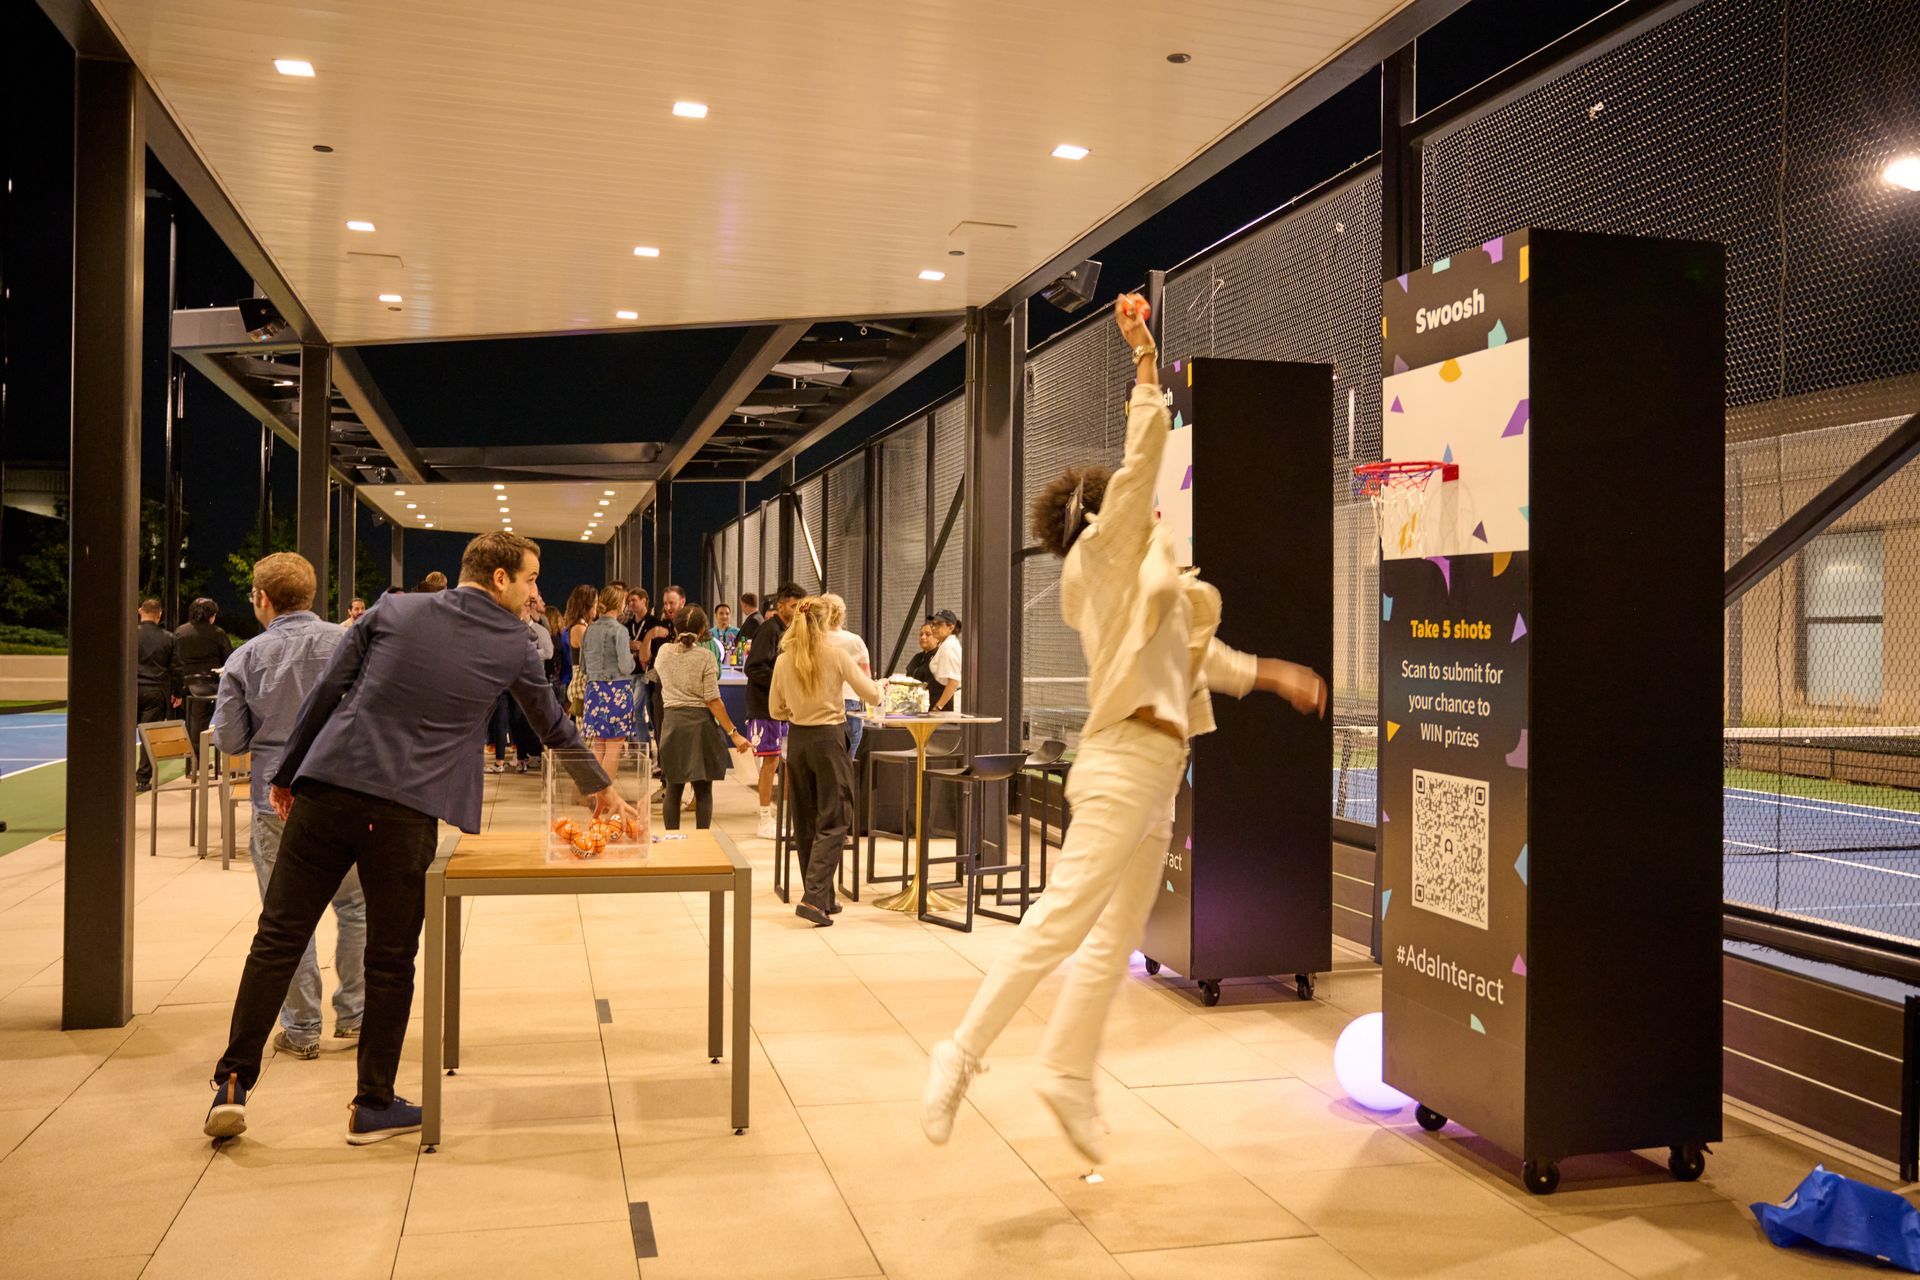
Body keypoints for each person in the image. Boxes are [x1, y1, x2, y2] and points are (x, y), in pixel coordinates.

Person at [919, 295, 1329, 1164]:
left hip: (1154, 771)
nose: (1152, 511)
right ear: (1105, 516)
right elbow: (1143, 462)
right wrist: (1144, 358)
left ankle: (1067, 1073)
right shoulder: (1105, 558)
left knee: (1113, 934)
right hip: (1122, 764)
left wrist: (1275, 677)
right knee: (1062, 924)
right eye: (1134, 504)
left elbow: (1201, 662)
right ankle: (959, 1054)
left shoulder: (1146, 585)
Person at [204, 532, 630, 1146]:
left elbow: (329, 693)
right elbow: (552, 725)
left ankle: (233, 1083)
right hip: (404, 813)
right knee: (390, 958)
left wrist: (289, 771)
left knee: (278, 936)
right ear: (501, 578)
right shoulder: (513, 642)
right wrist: (602, 790)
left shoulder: (393, 608)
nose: (537, 592)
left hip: (328, 787)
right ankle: (372, 1102)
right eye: (532, 579)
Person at [212, 553, 366, 1060]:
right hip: (344, 792)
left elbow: (231, 740)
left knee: (285, 918)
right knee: (356, 905)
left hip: (275, 801)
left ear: (262, 598)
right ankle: (356, 1015)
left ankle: (301, 1028)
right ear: (312, 595)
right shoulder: (349, 644)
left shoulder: (245, 658)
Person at [770, 597, 882, 926]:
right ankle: (814, 898)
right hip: (829, 740)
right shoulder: (836, 656)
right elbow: (871, 695)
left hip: (798, 742)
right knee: (835, 818)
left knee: (805, 820)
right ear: (829, 621)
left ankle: (824, 897)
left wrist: (797, 710)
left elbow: (775, 710)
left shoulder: (783, 660)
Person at [654, 605, 750, 830]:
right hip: (700, 727)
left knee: (674, 789)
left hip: (672, 724)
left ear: (675, 627)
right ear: (703, 629)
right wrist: (734, 734)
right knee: (704, 791)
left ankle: (672, 844)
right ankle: (703, 844)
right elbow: (713, 700)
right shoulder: (706, 656)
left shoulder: (664, 653)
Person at [744, 583, 805, 839]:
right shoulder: (769, 631)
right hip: (765, 707)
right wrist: (783, 684)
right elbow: (754, 668)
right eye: (794, 606)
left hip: (787, 708)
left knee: (788, 763)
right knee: (769, 761)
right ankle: (764, 819)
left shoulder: (794, 631)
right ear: (780, 605)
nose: (798, 610)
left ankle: (786, 816)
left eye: (801, 606)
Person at [580, 585, 638, 783]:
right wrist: (633, 659)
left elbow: (583, 666)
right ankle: (605, 794)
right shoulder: (620, 631)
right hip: (617, 691)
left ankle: (595, 793)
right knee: (614, 745)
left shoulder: (589, 631)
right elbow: (625, 665)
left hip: (594, 689)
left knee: (599, 745)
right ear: (618, 603)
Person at [172, 597, 232, 777]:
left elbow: (175, 662)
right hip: (212, 684)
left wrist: (176, 690)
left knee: (193, 724)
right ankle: (203, 763)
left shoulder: (180, 632)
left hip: (186, 684)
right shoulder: (217, 633)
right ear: (212, 615)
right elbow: (228, 660)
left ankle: (194, 763)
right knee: (210, 724)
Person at [820, 593, 872, 758]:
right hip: (850, 700)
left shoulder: (815, 640)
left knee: (826, 755)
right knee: (849, 756)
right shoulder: (855, 640)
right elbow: (866, 676)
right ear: (842, 614)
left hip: (822, 701)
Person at [135, 598, 175, 793]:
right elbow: (175, 668)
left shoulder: (128, 634)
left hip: (130, 690)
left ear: (140, 611)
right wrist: (176, 693)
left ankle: (119, 774)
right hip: (155, 690)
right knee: (148, 736)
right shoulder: (168, 637)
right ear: (159, 614)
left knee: (123, 735)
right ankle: (142, 779)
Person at [643, 585, 685, 750]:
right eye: (665, 603)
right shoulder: (661, 626)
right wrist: (649, 636)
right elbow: (648, 659)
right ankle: (663, 767)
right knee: (660, 728)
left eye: (672, 603)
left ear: (682, 601)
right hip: (659, 685)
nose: (668, 607)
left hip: (681, 688)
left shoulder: (691, 626)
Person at [560, 584, 597, 718]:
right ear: (586, 605)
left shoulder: (584, 626)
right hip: (582, 683)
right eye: (595, 603)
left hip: (584, 681)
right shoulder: (579, 628)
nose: (596, 607)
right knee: (586, 732)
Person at [929, 609, 963, 712]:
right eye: (933, 624)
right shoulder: (945, 644)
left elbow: (953, 682)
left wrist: (938, 707)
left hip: (948, 703)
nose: (934, 628)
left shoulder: (949, 647)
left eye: (939, 624)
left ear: (951, 627)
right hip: (944, 699)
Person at [904, 619, 940, 690]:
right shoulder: (917, 657)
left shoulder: (940, 658)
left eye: (928, 634)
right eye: (921, 634)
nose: (923, 637)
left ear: (937, 638)